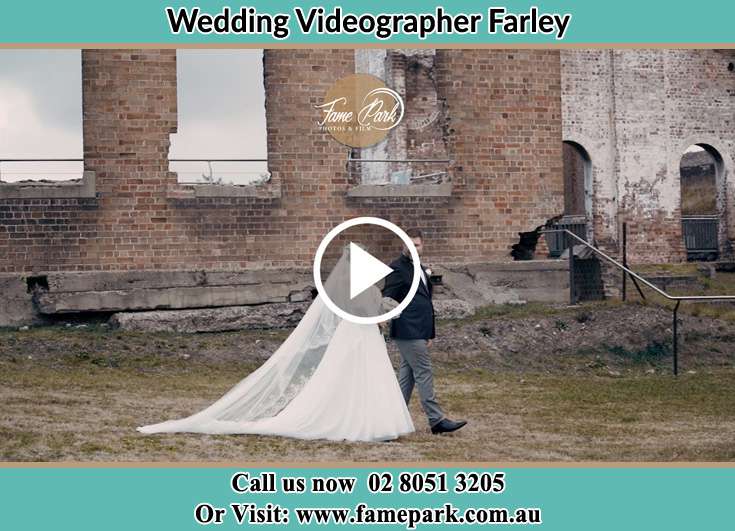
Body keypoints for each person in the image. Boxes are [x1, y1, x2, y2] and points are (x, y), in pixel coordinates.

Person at [137, 245, 414, 442]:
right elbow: (370, 313)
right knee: (356, 378)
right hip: (359, 337)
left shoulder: (347, 288)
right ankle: (365, 423)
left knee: (352, 379)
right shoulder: (363, 289)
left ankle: (367, 421)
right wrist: (387, 312)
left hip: (355, 336)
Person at [382, 228, 467, 435]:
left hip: (419, 329)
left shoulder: (421, 267)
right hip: (406, 329)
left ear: (422, 245)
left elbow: (424, 302)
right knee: (424, 370)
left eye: (417, 244)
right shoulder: (396, 268)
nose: (413, 247)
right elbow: (387, 298)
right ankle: (436, 420)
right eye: (409, 243)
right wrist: (382, 320)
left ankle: (393, 418)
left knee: (408, 375)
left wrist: (428, 333)